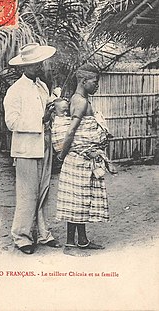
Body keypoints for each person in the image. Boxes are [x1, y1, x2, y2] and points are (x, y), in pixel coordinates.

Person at [3, 42, 60, 254]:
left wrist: (51, 110)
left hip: (44, 144)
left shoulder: (42, 86)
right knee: (28, 193)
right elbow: (12, 122)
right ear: (23, 67)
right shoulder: (15, 90)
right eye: (34, 64)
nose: (39, 66)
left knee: (44, 190)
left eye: (40, 62)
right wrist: (40, 119)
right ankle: (22, 237)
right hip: (26, 148)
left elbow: (46, 111)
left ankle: (44, 233)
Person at [54, 63, 117, 252]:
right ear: (84, 81)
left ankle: (80, 241)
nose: (97, 86)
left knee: (79, 200)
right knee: (76, 200)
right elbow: (72, 131)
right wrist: (62, 155)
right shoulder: (80, 101)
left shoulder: (79, 98)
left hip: (81, 158)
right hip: (78, 158)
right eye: (95, 82)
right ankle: (70, 244)